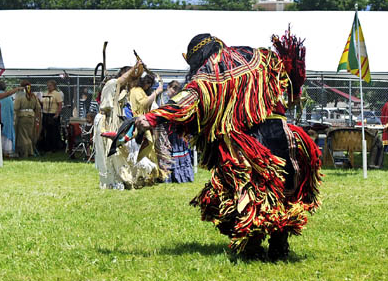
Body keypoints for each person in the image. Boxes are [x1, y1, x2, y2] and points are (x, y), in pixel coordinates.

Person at [135, 32, 322, 261]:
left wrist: (153, 117)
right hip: (287, 135)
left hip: (252, 143)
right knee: (283, 193)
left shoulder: (210, 70)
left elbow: (190, 98)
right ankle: (279, 245)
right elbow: (289, 75)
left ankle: (252, 246)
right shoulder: (255, 55)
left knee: (249, 193)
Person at [94, 65, 141, 189]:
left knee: (119, 151)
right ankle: (112, 181)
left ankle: (123, 178)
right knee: (109, 153)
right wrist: (135, 68)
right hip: (105, 121)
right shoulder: (112, 83)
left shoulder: (123, 89)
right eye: (131, 78)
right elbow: (107, 108)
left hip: (116, 123)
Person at [164, 80, 194, 183]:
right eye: (173, 88)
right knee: (170, 151)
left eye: (176, 89)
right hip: (168, 131)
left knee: (179, 150)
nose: (174, 91)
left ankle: (183, 176)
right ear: (168, 87)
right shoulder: (163, 100)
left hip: (178, 130)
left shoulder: (179, 101)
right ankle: (170, 176)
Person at [14, 81, 42, 158]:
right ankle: (31, 151)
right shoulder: (33, 96)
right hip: (31, 116)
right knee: (30, 135)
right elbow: (38, 107)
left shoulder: (20, 96)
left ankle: (25, 152)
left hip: (22, 116)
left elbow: (16, 107)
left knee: (23, 135)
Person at [40, 80, 64, 153]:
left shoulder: (57, 94)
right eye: (48, 85)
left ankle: (54, 147)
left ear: (54, 86)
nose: (48, 87)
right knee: (45, 131)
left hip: (53, 114)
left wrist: (57, 114)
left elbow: (60, 104)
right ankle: (46, 147)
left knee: (53, 131)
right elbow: (42, 102)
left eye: (50, 85)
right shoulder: (45, 93)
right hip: (45, 114)